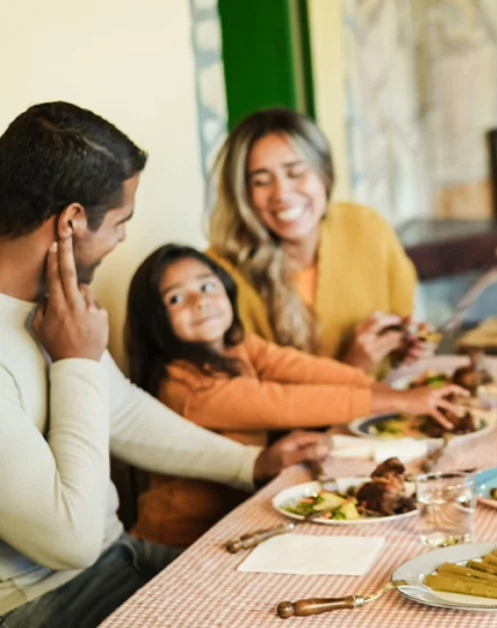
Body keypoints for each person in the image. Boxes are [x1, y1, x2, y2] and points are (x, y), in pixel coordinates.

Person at [0, 102, 330, 627]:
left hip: (123, 558)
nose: (124, 239)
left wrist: (249, 465)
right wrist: (77, 361)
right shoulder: (56, 335)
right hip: (48, 605)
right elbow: (72, 540)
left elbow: (123, 413)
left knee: (319, 587)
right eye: (121, 222)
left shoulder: (54, 305)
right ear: (71, 222)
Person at [123, 244, 465, 547]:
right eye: (176, 298)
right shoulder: (185, 387)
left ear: (226, 290)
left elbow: (306, 370)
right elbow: (285, 403)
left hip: (235, 522)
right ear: (156, 322)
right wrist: (404, 401)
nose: (200, 302)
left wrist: (382, 389)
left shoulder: (237, 346)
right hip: (180, 543)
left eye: (207, 285)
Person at [207, 108, 421, 376]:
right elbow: (252, 400)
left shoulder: (366, 227)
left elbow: (402, 328)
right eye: (261, 182)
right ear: (243, 195)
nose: (282, 194)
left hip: (381, 410)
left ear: (325, 174)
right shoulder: (218, 275)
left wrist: (404, 346)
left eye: (296, 173)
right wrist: (354, 366)